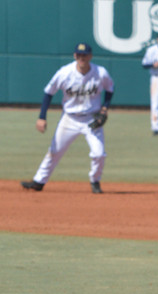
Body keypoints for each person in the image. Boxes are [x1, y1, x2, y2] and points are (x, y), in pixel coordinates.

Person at [21, 43, 114, 194]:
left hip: (91, 119)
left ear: (90, 56)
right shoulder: (65, 73)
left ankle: (95, 181)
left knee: (99, 154)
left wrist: (105, 108)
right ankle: (39, 181)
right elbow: (48, 92)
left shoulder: (100, 73)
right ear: (75, 56)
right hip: (70, 119)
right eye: (79, 55)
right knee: (55, 151)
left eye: (85, 55)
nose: (82, 58)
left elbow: (110, 88)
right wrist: (42, 117)